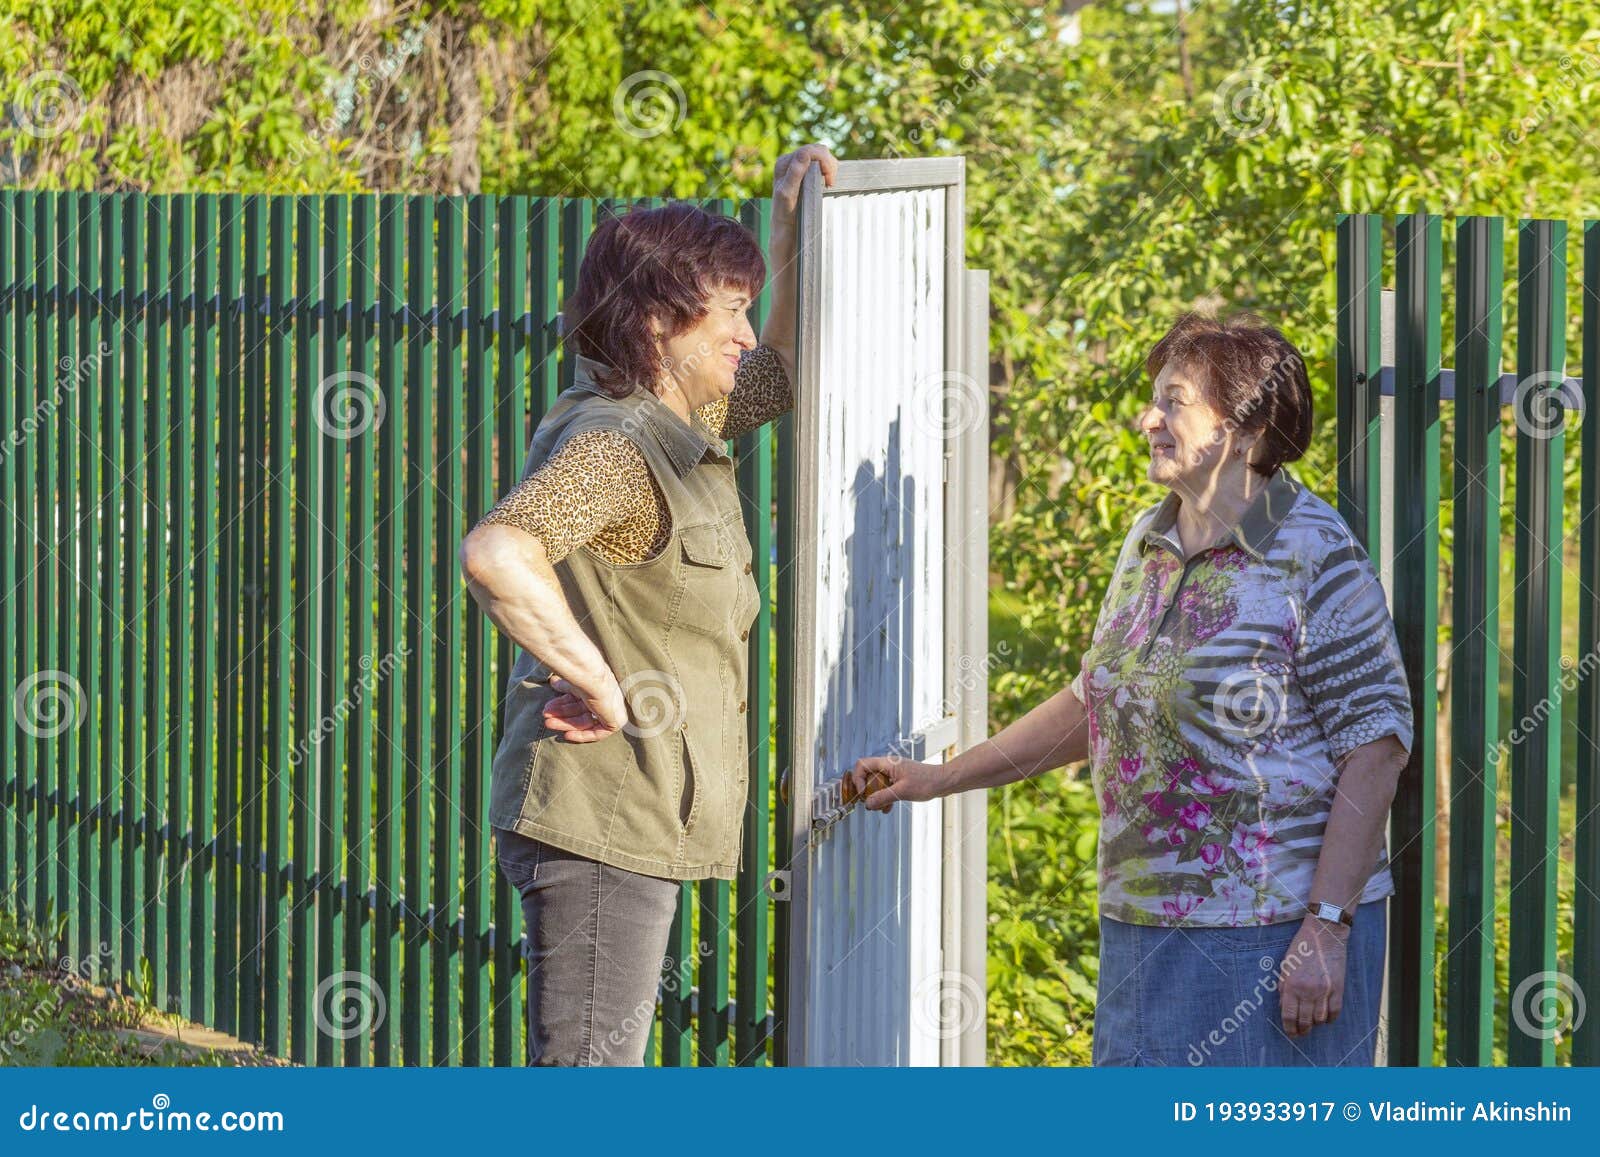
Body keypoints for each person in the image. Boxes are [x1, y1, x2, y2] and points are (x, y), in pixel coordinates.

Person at [849, 312, 1413, 1066]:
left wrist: (1327, 924)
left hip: (1269, 941)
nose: (1148, 418)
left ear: (1244, 429)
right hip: (1142, 928)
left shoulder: (1315, 553)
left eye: (1173, 400)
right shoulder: (1150, 540)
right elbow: (1097, 702)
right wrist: (942, 777)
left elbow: (1375, 748)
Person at [460, 143, 840, 1065]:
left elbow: (775, 374)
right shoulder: (617, 444)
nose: (747, 334)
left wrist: (787, 211)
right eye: (730, 314)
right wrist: (604, 685)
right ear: (662, 322)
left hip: (629, 821)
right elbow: (497, 551)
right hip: (600, 823)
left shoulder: (677, 422)